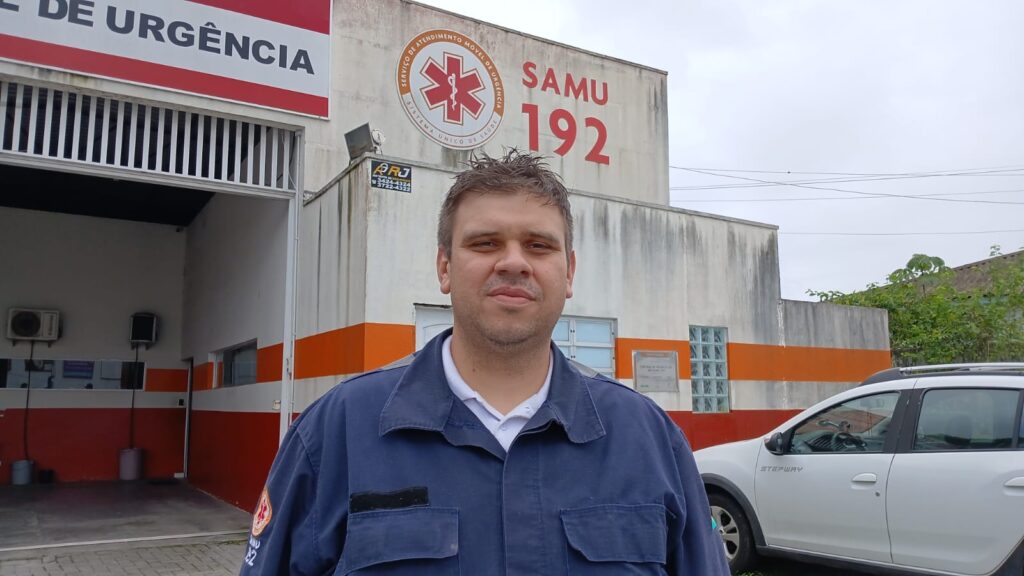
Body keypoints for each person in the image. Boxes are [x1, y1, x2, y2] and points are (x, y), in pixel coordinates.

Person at [240, 150, 730, 575]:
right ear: (445, 267)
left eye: (538, 245)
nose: (514, 262)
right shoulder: (336, 433)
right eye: (485, 243)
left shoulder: (650, 439)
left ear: (569, 271)